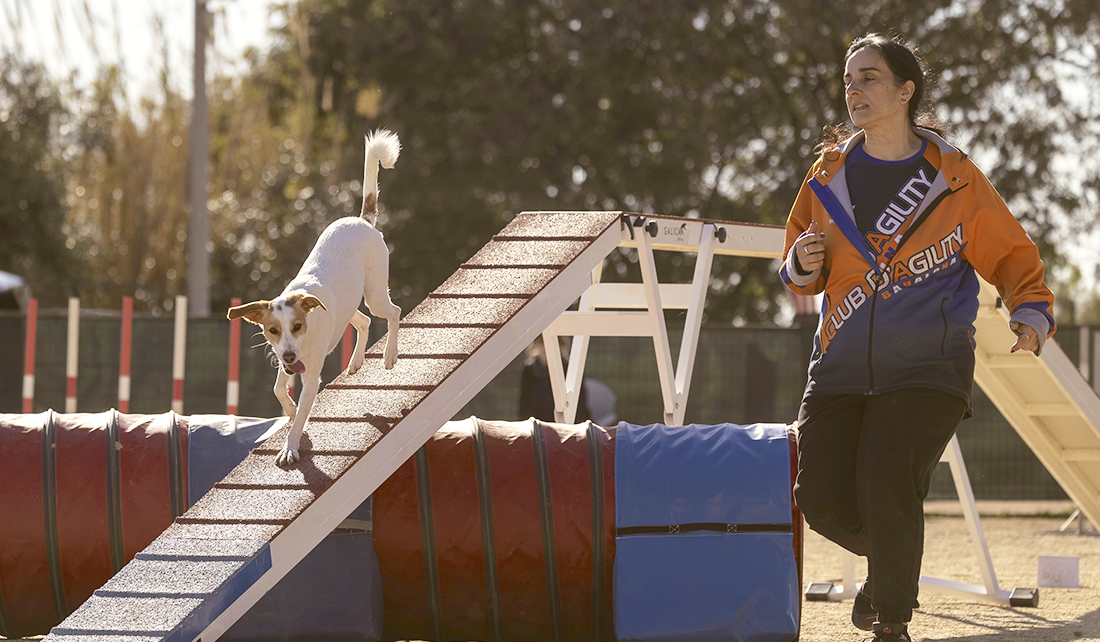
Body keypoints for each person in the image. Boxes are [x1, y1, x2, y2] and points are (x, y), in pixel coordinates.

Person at [779, 33, 1055, 642]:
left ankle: (891, 621)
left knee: (887, 479)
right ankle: (892, 562)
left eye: (869, 77)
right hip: (839, 366)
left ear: (905, 91)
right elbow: (798, 261)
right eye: (848, 80)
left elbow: (1010, 250)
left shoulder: (954, 178)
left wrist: (1030, 310)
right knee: (817, 496)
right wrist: (799, 263)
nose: (853, 90)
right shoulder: (826, 175)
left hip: (930, 369)